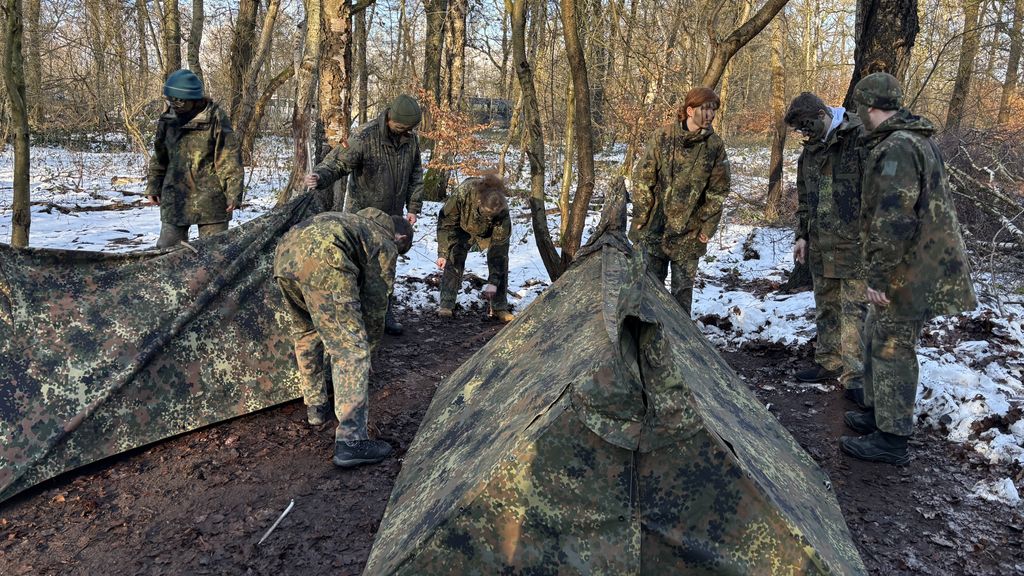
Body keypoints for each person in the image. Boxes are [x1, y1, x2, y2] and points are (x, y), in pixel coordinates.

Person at [840, 72, 977, 465]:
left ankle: (892, 438)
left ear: (868, 107)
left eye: (858, 107)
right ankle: (876, 412)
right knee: (874, 333)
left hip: (908, 270)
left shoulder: (898, 147)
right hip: (912, 263)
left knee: (892, 347)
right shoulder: (914, 140)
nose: (856, 115)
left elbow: (894, 219)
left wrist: (879, 277)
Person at [273, 208, 414, 468]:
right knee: (351, 350)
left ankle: (316, 407)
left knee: (307, 333)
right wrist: (367, 350)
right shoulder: (383, 240)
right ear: (400, 238)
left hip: (284, 255)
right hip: (325, 260)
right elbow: (375, 302)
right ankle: (351, 442)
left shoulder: (353, 222)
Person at [304, 94, 425, 336]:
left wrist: (413, 208)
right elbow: (337, 163)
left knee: (386, 267)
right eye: (401, 128)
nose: (405, 133)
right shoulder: (364, 136)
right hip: (361, 218)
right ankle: (354, 318)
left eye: (409, 129)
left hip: (392, 218)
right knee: (358, 267)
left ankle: (383, 314)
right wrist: (319, 177)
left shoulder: (410, 141)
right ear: (390, 118)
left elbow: (416, 174)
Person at [784, 93, 869, 404]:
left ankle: (855, 377)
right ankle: (828, 362)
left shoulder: (859, 137)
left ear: (822, 114)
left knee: (854, 312)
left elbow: (877, 193)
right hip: (821, 244)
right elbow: (805, 198)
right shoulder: (810, 151)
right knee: (827, 306)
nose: (805, 135)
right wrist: (802, 236)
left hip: (856, 245)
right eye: (800, 131)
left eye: (807, 127)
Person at [629, 87, 731, 314]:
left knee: (682, 298)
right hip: (655, 228)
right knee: (648, 294)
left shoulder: (714, 146)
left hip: (690, 232)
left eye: (714, 110)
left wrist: (708, 226)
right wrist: (641, 216)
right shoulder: (663, 137)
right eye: (706, 109)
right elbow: (643, 178)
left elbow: (719, 190)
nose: (711, 115)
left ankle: (679, 347)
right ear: (690, 110)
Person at [146, 69, 244, 248]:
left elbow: (229, 157)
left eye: (179, 100)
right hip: (175, 197)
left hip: (211, 199)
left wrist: (233, 193)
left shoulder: (215, 118)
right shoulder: (167, 119)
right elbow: (160, 156)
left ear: (193, 99)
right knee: (167, 251)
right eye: (171, 99)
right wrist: (153, 184)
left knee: (214, 253)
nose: (174, 104)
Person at [435, 174, 514, 323]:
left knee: (500, 262)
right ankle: (446, 304)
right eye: (486, 214)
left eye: (492, 216)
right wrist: (443, 253)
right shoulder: (463, 193)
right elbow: (445, 222)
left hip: (489, 234)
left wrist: (492, 284)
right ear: (479, 202)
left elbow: (499, 252)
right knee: (454, 256)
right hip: (461, 226)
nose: (488, 218)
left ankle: (499, 307)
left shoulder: (502, 212)